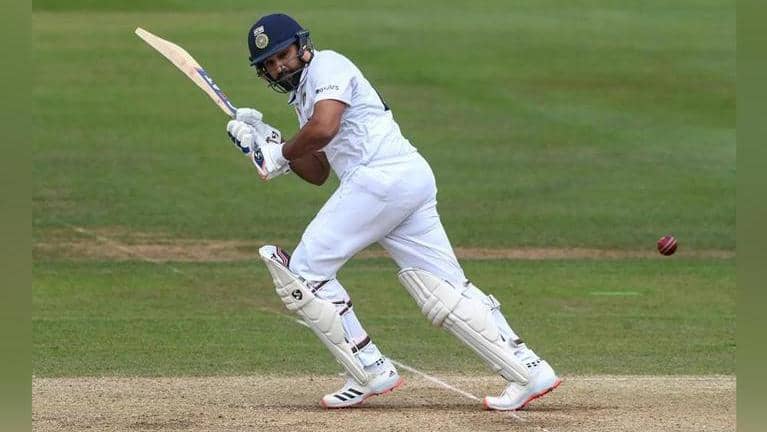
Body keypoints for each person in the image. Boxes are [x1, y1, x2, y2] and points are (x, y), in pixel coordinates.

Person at [225, 13, 560, 410]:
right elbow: (317, 171)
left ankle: (369, 368)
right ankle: (528, 369)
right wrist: (265, 139)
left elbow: (324, 128)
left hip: (379, 180)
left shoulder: (328, 65)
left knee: (303, 274)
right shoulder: (304, 97)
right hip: (401, 182)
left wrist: (279, 154)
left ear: (302, 46)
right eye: (269, 63)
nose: (279, 66)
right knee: (444, 288)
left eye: (283, 55)